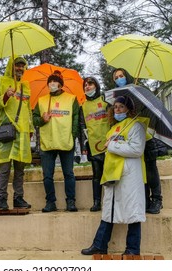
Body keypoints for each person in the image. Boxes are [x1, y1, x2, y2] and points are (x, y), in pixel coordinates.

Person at [81, 95, 147, 255]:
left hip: (128, 176)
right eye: (115, 107)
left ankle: (132, 249)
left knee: (132, 211)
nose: (117, 109)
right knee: (109, 210)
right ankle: (100, 245)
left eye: (121, 107)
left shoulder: (135, 126)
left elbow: (137, 150)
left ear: (129, 109)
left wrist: (113, 145)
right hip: (112, 175)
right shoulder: (113, 129)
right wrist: (110, 145)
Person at [112, 68, 165, 214]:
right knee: (139, 172)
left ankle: (157, 200)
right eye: (116, 77)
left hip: (145, 137)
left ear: (127, 76)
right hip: (130, 140)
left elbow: (152, 111)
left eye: (121, 76)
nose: (119, 79)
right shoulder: (118, 96)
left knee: (150, 170)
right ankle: (145, 200)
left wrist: (138, 107)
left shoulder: (140, 91)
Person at [0, 56, 33, 211]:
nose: (20, 68)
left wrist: (31, 129)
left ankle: (18, 198)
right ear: (10, 66)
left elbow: (28, 110)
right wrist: (5, 96)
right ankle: (1, 199)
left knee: (20, 170)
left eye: (22, 65)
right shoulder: (0, 81)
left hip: (22, 133)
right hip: (6, 131)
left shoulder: (25, 86)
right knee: (4, 169)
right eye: (17, 65)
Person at [33, 70, 79, 212]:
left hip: (66, 141)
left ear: (60, 84)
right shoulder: (41, 101)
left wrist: (72, 135)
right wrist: (42, 119)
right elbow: (34, 119)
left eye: (55, 82)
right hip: (48, 142)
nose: (52, 84)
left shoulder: (72, 99)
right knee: (47, 176)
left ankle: (70, 201)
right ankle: (50, 202)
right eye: (50, 82)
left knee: (69, 174)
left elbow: (76, 120)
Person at [78, 77, 110, 212]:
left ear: (96, 85)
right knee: (97, 174)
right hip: (93, 144)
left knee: (111, 174)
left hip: (109, 143)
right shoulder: (83, 106)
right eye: (85, 85)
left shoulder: (106, 101)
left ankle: (110, 201)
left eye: (90, 84)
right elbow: (81, 127)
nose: (87, 87)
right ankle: (97, 201)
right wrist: (83, 146)